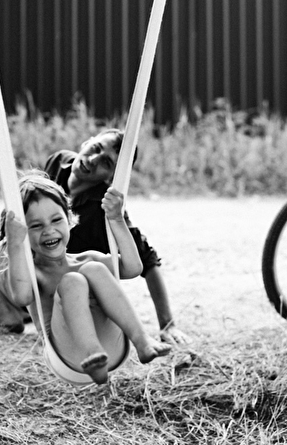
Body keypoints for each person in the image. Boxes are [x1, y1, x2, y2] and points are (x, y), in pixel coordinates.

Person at [2, 172, 171, 384]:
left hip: (113, 346)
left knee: (93, 269)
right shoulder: (33, 273)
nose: (49, 230)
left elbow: (133, 268)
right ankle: (92, 353)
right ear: (22, 233)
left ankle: (142, 340)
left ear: (69, 219)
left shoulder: (88, 258)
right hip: (69, 355)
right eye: (36, 226)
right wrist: (15, 245)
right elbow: (21, 297)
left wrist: (116, 220)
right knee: (72, 281)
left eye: (56, 220)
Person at [43, 129, 192, 345]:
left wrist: (167, 324)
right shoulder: (57, 162)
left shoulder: (107, 209)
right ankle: (11, 310)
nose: (92, 160)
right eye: (95, 148)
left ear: (112, 177)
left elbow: (148, 260)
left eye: (106, 162)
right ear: (86, 142)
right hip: (34, 275)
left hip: (67, 291)